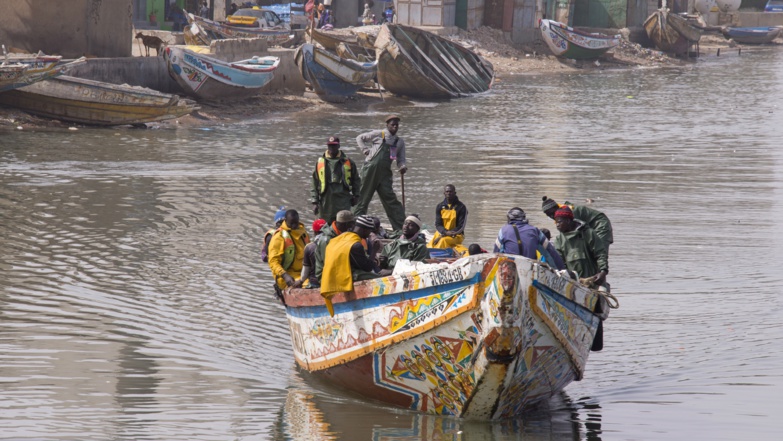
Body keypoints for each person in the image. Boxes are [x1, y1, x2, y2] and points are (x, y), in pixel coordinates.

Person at [353, 115, 407, 231]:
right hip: (370, 171)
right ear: (387, 125)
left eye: (397, 125)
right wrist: (365, 150)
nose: (395, 126)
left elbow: (400, 159)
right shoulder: (379, 134)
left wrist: (402, 166)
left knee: (391, 200)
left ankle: (401, 229)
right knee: (362, 198)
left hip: (385, 174)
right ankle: (355, 227)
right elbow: (359, 138)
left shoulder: (399, 142)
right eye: (392, 124)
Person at [320, 215, 381, 315]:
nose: (370, 234)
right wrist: (374, 251)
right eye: (369, 230)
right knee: (378, 277)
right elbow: (367, 267)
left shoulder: (340, 238)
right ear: (363, 229)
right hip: (342, 278)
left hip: (328, 279)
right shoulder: (355, 245)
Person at [552, 206, 609, 289]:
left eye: (559, 222)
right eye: (556, 222)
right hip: (573, 285)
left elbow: (600, 254)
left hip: (592, 283)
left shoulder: (588, 233)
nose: (557, 225)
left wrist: (603, 271)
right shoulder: (559, 240)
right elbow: (559, 263)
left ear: (568, 221)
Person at [310, 136, 361, 225]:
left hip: (343, 200)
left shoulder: (348, 162)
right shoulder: (320, 162)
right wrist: (315, 201)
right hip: (326, 201)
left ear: (338, 146)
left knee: (344, 224)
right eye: (330, 146)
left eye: (334, 146)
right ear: (327, 146)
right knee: (325, 226)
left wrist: (356, 195)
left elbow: (356, 179)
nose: (332, 148)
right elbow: (315, 182)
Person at [493, 207, 565, 270]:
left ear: (509, 219)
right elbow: (550, 253)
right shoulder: (535, 231)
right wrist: (561, 269)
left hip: (510, 271)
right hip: (530, 270)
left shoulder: (503, 231)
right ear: (524, 217)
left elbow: (496, 255)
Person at [542, 195, 613, 251]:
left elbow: (573, 235)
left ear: (556, 207)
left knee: (600, 250)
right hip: (590, 227)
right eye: (549, 215)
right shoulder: (561, 215)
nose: (552, 216)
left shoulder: (569, 213)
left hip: (600, 225)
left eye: (552, 213)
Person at [268, 210, 311, 290]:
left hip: (305, 271)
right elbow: (273, 262)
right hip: (288, 276)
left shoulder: (303, 232)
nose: (294, 226)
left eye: (296, 223)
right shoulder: (279, 237)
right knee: (309, 285)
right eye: (291, 223)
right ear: (286, 221)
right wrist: (285, 276)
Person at [314, 210, 355, 283]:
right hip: (325, 274)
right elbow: (328, 264)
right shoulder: (326, 240)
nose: (353, 226)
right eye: (352, 224)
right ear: (346, 224)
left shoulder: (342, 234)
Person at [428, 184, 468, 255]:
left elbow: (461, 227)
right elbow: (438, 224)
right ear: (444, 193)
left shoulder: (461, 207)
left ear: (455, 193)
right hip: (442, 233)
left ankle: (437, 258)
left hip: (456, 235)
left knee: (443, 241)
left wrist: (448, 234)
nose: (449, 193)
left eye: (451, 191)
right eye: (447, 191)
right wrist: (445, 232)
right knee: (430, 245)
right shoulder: (440, 206)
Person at [300, 219, 327, 288]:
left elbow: (304, 275)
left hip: (315, 283)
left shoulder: (309, 247)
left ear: (314, 232)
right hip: (329, 281)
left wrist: (300, 281)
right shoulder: (333, 243)